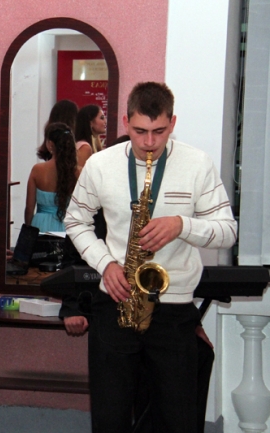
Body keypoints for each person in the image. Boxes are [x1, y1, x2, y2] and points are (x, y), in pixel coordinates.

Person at [64, 81, 237, 432]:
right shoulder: (100, 164)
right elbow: (75, 221)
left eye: (159, 132)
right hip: (116, 302)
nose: (149, 142)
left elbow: (227, 231)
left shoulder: (198, 163)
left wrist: (182, 225)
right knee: (110, 418)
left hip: (174, 311)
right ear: (126, 122)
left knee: (177, 420)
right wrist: (105, 264)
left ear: (173, 123)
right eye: (140, 131)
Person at [24, 122, 77, 233]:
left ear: (50, 144)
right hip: (68, 225)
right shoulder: (77, 172)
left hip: (40, 225)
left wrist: (28, 230)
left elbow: (29, 208)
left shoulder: (37, 170)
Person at [74, 104, 107, 169]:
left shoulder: (94, 143)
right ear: (91, 122)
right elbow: (81, 173)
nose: (105, 121)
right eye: (102, 118)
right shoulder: (85, 147)